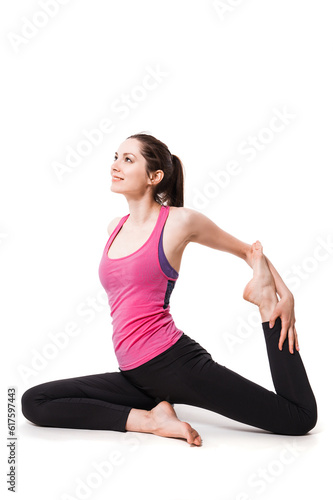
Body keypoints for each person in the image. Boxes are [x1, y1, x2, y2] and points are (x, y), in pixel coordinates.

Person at [21, 132, 317, 447]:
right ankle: (150, 419)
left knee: (298, 419)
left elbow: (248, 251)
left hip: (174, 365)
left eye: (128, 159)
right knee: (33, 401)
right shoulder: (115, 228)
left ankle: (267, 307)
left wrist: (284, 295)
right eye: (115, 157)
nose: (115, 165)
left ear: (154, 176)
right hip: (136, 375)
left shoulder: (178, 222)